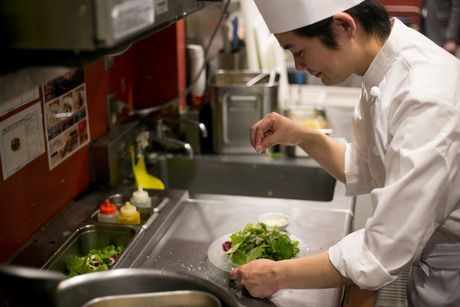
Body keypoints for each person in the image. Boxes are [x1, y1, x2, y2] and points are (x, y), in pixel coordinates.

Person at [228, 1, 460, 306]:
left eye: (298, 51)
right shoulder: (384, 69)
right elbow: (365, 168)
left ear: (343, 26)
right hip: (434, 271)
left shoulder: (424, 98)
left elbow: (380, 252)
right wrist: (302, 135)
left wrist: (275, 276)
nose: (299, 66)